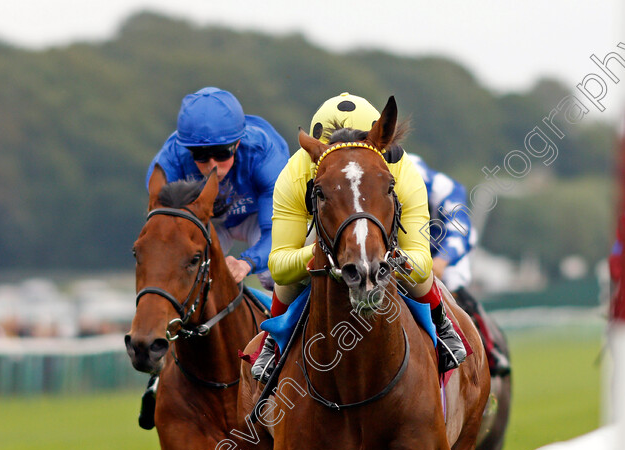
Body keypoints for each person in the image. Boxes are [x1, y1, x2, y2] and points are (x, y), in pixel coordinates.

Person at [250, 92, 467, 383]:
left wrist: (393, 258)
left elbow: (420, 260)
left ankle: (442, 325)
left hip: (385, 242)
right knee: (286, 280)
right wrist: (319, 254)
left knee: (418, 274)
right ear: (315, 154)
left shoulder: (401, 171)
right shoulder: (296, 173)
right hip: (327, 239)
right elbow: (279, 264)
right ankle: (271, 343)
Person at [145, 86, 289, 289]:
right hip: (209, 223)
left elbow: (277, 232)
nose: (213, 166)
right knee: (188, 274)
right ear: (187, 150)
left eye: (222, 153)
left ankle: (289, 320)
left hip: (257, 218)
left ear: (238, 143)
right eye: (201, 155)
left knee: (275, 274)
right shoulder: (169, 163)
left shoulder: (264, 154)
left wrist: (246, 262)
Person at [410, 154, 510, 376]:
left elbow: (457, 232)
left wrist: (441, 261)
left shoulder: (446, 188)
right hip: (413, 252)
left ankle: (491, 350)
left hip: (450, 252)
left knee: (453, 283)